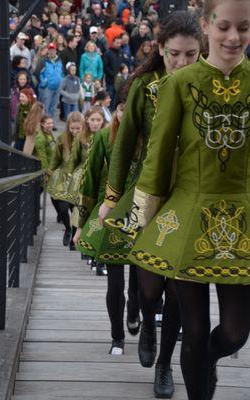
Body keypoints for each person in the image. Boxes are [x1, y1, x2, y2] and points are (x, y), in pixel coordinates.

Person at [128, 1, 250, 399]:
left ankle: (209, 361)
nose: (234, 37)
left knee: (234, 332)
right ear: (206, 26)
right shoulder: (179, 85)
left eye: (244, 28)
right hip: (188, 215)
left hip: (242, 220)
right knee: (193, 330)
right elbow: (158, 159)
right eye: (225, 26)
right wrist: (143, 224)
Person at [98, 11, 201, 399]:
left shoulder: (206, 84)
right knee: (147, 287)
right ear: (161, 49)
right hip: (147, 195)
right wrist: (110, 198)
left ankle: (164, 365)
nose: (182, 63)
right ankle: (145, 319)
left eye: (191, 55)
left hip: (188, 195)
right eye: (175, 54)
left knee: (177, 289)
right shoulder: (143, 85)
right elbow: (124, 145)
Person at [72, 101, 140, 354]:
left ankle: (134, 310)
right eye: (121, 110)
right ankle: (117, 336)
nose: (125, 114)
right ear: (117, 112)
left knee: (139, 282)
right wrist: (80, 225)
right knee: (114, 282)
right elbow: (89, 178)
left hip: (140, 214)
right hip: (110, 214)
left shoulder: (148, 135)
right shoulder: (103, 136)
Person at [47, 111, 85, 246]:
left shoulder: (86, 140)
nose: (75, 131)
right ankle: (68, 229)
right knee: (62, 208)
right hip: (63, 177)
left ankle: (75, 235)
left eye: (78, 128)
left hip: (80, 178)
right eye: (72, 128)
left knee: (75, 209)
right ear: (68, 126)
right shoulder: (62, 139)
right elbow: (56, 158)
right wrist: (49, 171)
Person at [38, 42, 64, 119]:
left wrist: (61, 81)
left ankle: (51, 123)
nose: (52, 51)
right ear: (48, 51)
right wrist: (44, 82)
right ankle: (44, 123)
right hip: (47, 87)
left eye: (53, 50)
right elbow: (38, 73)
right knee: (46, 106)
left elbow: (62, 72)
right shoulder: (43, 61)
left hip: (57, 87)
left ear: (56, 50)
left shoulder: (59, 60)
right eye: (50, 50)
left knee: (54, 106)